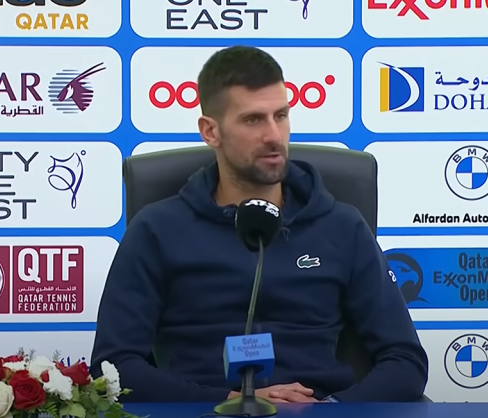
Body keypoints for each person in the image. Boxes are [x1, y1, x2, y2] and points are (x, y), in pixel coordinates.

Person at [90, 45, 428, 404]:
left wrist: (331, 410)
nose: (273, 135)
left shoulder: (342, 226)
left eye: (280, 116)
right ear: (210, 131)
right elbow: (114, 367)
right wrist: (229, 401)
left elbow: (405, 362)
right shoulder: (157, 229)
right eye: (253, 120)